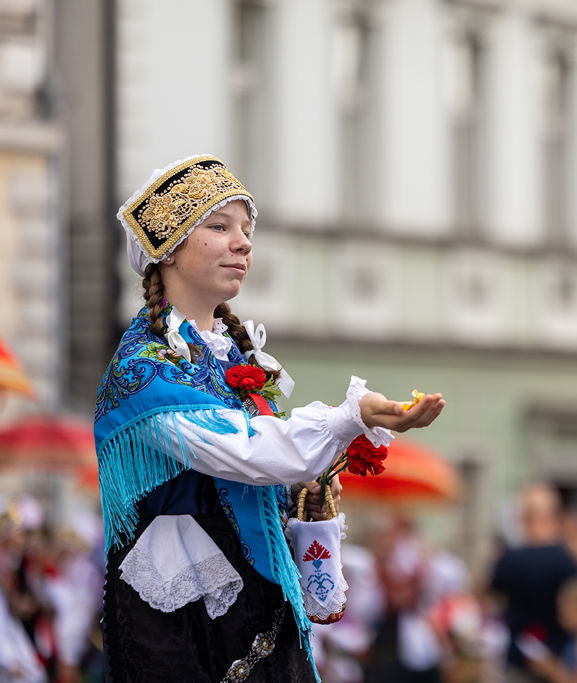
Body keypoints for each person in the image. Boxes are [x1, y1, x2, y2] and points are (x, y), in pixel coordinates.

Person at [95, 155, 445, 682]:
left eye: (246, 231)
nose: (242, 244)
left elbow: (268, 464)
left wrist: (306, 496)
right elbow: (248, 450)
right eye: (219, 227)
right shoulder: (143, 368)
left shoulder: (237, 359)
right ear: (168, 248)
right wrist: (348, 417)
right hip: (183, 609)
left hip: (258, 600)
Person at [489, 482, 577, 682]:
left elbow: (492, 593)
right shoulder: (569, 559)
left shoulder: (511, 559)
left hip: (519, 656)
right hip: (560, 657)